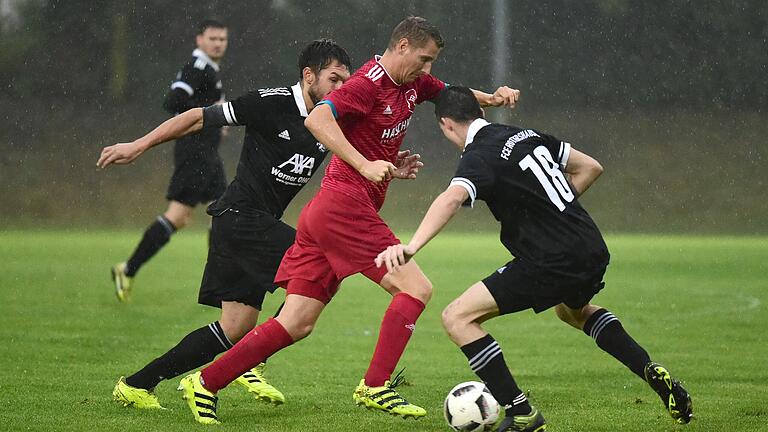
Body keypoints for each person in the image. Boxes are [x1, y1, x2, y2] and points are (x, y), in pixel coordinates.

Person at [174, 17, 520, 425]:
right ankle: (375, 386)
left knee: (296, 322)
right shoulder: (366, 83)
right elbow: (317, 120)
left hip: (328, 213)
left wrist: (493, 100)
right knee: (417, 288)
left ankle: (206, 382)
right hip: (343, 206)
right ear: (403, 46)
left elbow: (454, 97)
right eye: (424, 59)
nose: (428, 70)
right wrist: (364, 163)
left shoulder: (414, 83)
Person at [99, 40, 420, 412]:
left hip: (250, 225)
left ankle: (138, 384)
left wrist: (390, 167)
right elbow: (197, 117)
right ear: (308, 75)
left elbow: (361, 150)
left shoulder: (333, 118)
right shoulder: (270, 102)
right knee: (317, 261)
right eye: (333, 79)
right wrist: (139, 145)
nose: (340, 88)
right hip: (239, 217)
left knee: (233, 327)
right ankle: (254, 361)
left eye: (345, 81)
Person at [374, 86, 694, 431]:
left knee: (457, 318)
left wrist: (411, 246)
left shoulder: (478, 155)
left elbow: (451, 199)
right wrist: (549, 207)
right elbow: (590, 167)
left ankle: (521, 411)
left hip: (550, 258)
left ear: (446, 124)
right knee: (572, 311)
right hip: (589, 245)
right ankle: (648, 368)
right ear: (479, 113)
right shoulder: (523, 134)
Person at [110, 19, 229, 302]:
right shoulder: (197, 68)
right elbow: (173, 101)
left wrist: (216, 120)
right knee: (182, 216)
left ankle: (219, 282)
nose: (218, 43)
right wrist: (207, 113)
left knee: (224, 212)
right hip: (194, 153)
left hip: (206, 154)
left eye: (222, 39)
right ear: (199, 40)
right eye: (212, 38)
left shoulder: (210, 70)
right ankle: (127, 268)